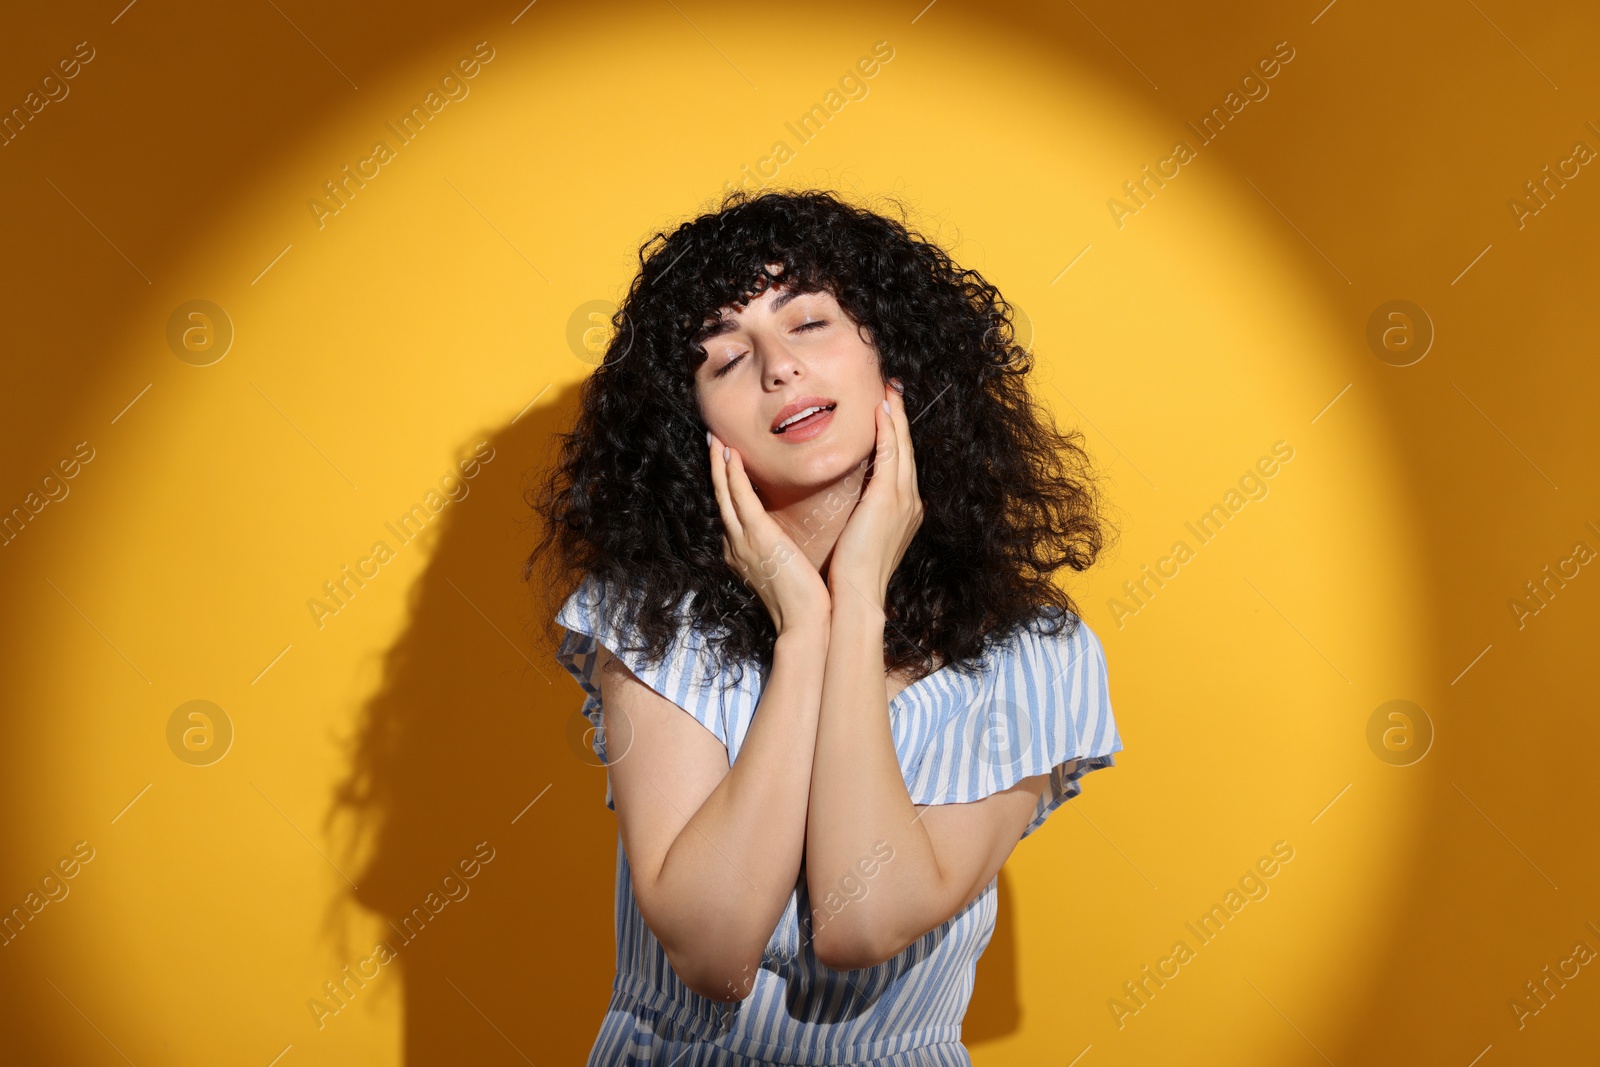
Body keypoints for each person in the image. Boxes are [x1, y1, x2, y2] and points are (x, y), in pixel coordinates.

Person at [524, 188, 1123, 1065]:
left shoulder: (1032, 653)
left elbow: (860, 917)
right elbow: (714, 948)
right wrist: (803, 626)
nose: (776, 368)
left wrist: (858, 600)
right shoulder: (653, 621)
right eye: (724, 360)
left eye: (808, 323)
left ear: (894, 352)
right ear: (695, 431)